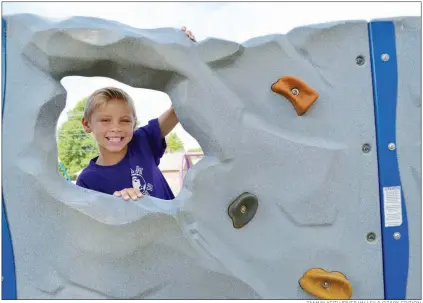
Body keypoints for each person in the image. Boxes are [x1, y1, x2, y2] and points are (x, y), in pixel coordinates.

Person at [76, 27, 195, 201]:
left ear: (134, 123)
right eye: (105, 120)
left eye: (124, 120)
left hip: (173, 228)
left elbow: (178, 110)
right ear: (87, 124)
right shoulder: (87, 181)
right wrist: (120, 206)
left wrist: (185, 53)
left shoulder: (142, 141)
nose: (115, 128)